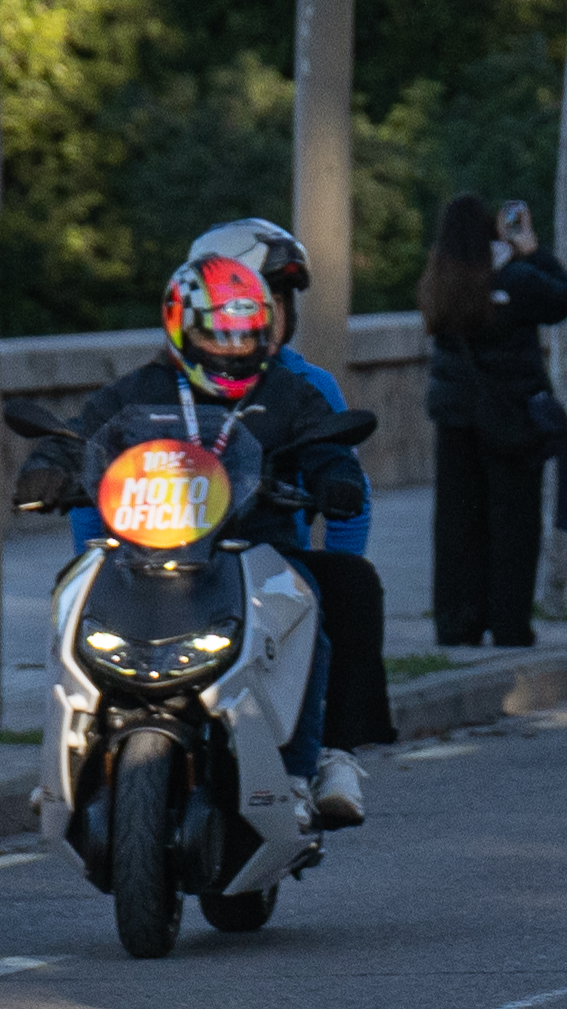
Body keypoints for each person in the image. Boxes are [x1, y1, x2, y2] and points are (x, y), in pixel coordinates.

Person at [64, 248, 379, 827]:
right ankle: (73, 765)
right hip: (147, 555)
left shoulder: (289, 390)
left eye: (247, 335)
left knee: (306, 625)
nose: (233, 350)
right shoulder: (137, 391)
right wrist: (49, 466)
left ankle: (296, 773)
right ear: (183, 330)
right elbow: (82, 437)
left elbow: (327, 446)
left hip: (259, 551)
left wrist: (335, 478)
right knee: (75, 609)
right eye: (218, 336)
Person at [181, 214, 395, 800]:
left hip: (269, 560)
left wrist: (329, 543)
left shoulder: (305, 387)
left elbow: (347, 484)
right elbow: (99, 453)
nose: (270, 313)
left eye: (279, 299)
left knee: (348, 586)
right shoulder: (158, 384)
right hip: (163, 562)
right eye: (256, 296)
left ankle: (331, 750)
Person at [417, 194, 567, 652]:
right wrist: (532, 250)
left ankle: (456, 623)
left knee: (456, 524)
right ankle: (509, 624)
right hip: (510, 416)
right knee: (514, 524)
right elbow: (565, 299)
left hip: (455, 417)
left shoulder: (438, 283)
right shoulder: (513, 276)